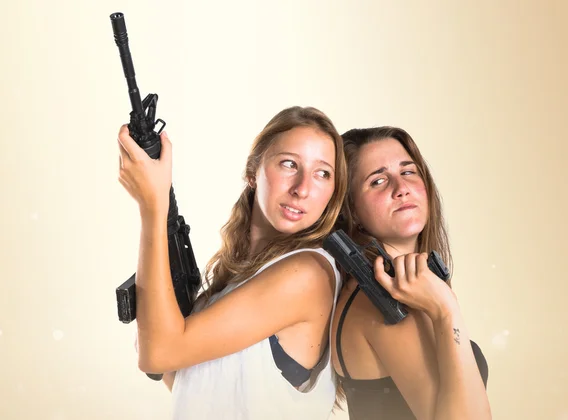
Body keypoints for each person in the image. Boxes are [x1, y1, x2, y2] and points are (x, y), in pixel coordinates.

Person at [117, 106, 348, 419]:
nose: (303, 188)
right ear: (253, 171)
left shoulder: (309, 272)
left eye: (323, 173)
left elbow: (158, 354)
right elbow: (200, 388)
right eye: (289, 164)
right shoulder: (238, 278)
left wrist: (153, 205)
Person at [330, 126, 492, 419]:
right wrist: (446, 310)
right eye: (378, 181)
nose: (400, 188)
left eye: (408, 172)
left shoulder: (412, 288)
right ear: (351, 210)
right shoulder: (381, 301)